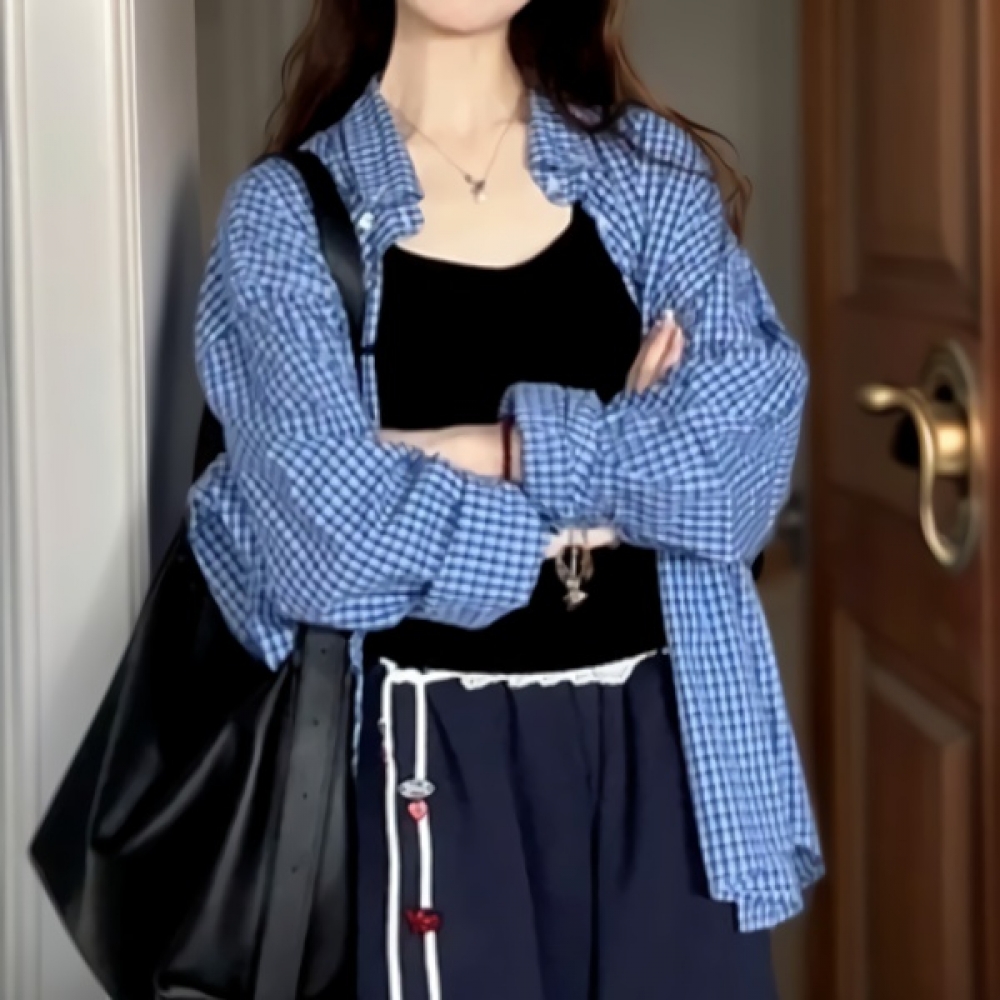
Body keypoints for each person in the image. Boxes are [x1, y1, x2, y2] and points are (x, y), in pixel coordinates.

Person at [188, 0, 823, 996]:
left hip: (673, 746)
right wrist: (613, 495)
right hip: (427, 758)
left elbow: (735, 478)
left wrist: (484, 446)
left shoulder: (649, 174)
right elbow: (328, 546)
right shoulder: (285, 214)